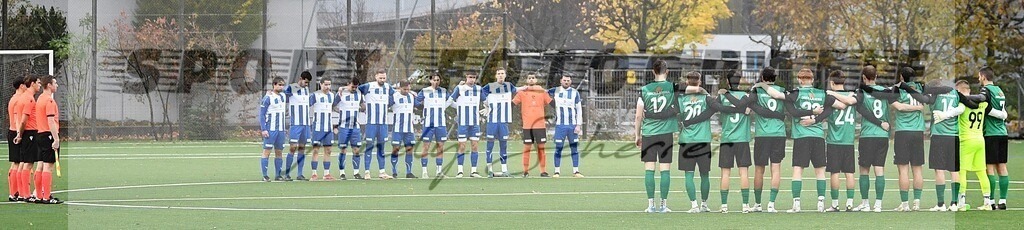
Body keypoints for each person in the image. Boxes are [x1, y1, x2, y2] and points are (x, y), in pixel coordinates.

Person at [758, 68, 844, 213]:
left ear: (799, 79)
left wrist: (762, 85)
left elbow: (789, 108)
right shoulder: (821, 93)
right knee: (820, 171)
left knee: (798, 170)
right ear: (812, 79)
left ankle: (796, 204)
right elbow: (839, 106)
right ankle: (821, 203)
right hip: (818, 136)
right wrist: (816, 118)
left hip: (801, 137)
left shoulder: (795, 93)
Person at [820, 71, 860, 212]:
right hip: (848, 141)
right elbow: (849, 102)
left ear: (831, 82)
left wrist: (830, 93)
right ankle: (849, 203)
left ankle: (835, 204)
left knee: (834, 173)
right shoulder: (851, 95)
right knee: (849, 173)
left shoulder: (829, 96)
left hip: (834, 140)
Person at [953, 80, 992, 211]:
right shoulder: (983, 103)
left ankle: (962, 202)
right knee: (981, 172)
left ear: (958, 91)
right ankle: (987, 201)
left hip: (966, 140)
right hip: (980, 140)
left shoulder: (960, 103)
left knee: (962, 171)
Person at [357, 69, 396, 180]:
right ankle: (367, 172)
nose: (382, 80)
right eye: (380, 78)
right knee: (369, 147)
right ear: (375, 77)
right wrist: (361, 103)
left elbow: (396, 95)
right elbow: (355, 89)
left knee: (381, 148)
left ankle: (382, 172)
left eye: (384, 78)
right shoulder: (369, 86)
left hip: (383, 123)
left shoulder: (388, 87)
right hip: (371, 123)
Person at [512, 73, 552, 178]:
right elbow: (512, 104)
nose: (531, 80)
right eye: (529, 78)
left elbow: (552, 103)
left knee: (541, 149)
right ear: (526, 80)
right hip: (527, 126)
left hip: (540, 125)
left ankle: (543, 171)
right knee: (527, 148)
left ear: (536, 80)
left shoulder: (542, 92)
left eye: (533, 78)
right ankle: (525, 171)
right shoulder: (521, 93)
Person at [481, 68, 516, 177]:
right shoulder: (490, 86)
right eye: (499, 74)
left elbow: (519, 90)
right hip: (492, 121)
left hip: (504, 122)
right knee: (489, 146)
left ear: (505, 75)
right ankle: (490, 170)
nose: (500, 75)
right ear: (496, 76)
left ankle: (505, 170)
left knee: (503, 146)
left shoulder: (509, 86)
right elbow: (480, 93)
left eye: (502, 73)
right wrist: (486, 105)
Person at [32, 75, 62, 204]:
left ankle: (39, 195)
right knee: (47, 167)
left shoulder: (39, 99)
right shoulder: (49, 101)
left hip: (40, 134)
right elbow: (51, 121)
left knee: (40, 165)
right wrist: (56, 139)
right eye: (55, 83)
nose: (57, 85)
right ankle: (46, 196)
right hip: (48, 135)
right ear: (49, 85)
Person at [449, 71, 484, 178]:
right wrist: (457, 106)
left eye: (474, 77)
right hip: (463, 123)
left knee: (475, 146)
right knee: (462, 146)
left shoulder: (478, 89)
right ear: (466, 77)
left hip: (474, 123)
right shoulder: (459, 88)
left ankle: (473, 171)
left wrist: (487, 108)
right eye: (470, 77)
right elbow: (450, 100)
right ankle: (460, 171)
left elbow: (486, 100)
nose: (472, 79)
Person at [415, 73, 451, 178]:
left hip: (441, 124)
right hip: (428, 124)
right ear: (430, 81)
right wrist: (424, 108)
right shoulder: (425, 91)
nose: (436, 82)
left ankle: (439, 171)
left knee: (440, 147)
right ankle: (424, 171)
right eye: (434, 80)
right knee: (426, 146)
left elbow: (450, 101)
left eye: (438, 80)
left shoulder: (444, 91)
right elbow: (417, 102)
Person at [548, 75, 585, 178]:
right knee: (558, 148)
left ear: (571, 81)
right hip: (560, 126)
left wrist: (578, 125)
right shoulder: (554, 90)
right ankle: (556, 171)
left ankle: (576, 171)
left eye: (568, 80)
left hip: (572, 125)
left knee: (574, 148)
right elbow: (543, 94)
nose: (566, 82)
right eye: (564, 80)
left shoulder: (575, 93)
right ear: (561, 81)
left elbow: (579, 109)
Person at [284, 71, 312, 181]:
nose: (306, 84)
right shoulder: (292, 88)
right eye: (305, 82)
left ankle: (300, 174)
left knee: (302, 148)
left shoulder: (306, 89)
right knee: (292, 148)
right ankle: (287, 174)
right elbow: (282, 92)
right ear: (300, 78)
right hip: (295, 123)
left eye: (308, 83)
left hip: (305, 124)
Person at [309, 78, 338, 181]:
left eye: (329, 84)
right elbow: (306, 104)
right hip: (318, 127)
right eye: (325, 84)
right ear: (320, 84)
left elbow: (335, 107)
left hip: (328, 128)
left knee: (328, 150)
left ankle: (326, 174)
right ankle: (314, 173)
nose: (327, 87)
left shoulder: (332, 95)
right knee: (316, 150)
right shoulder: (315, 95)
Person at [259, 77, 288, 182]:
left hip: (281, 130)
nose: (281, 87)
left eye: (282, 85)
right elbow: (261, 115)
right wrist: (264, 129)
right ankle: (265, 175)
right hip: (271, 130)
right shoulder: (268, 98)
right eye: (279, 85)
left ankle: (278, 175)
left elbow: (295, 87)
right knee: (267, 151)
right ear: (274, 85)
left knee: (279, 152)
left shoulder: (283, 96)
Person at [336, 78, 364, 180]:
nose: (354, 89)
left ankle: (356, 172)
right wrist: (340, 112)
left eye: (356, 87)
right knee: (343, 150)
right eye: (353, 87)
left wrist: (363, 108)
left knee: (356, 150)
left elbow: (362, 104)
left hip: (355, 127)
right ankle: (342, 173)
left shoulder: (359, 93)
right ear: (348, 84)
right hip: (344, 127)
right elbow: (332, 105)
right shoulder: (341, 93)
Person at [389, 81, 418, 178]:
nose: (406, 91)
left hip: (409, 129)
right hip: (398, 128)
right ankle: (394, 171)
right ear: (400, 88)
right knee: (395, 149)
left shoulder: (412, 96)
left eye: (408, 89)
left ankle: (409, 172)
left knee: (409, 150)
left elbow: (420, 103)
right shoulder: (394, 96)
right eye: (404, 89)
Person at [7, 75, 24, 201]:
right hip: (15, 132)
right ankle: (14, 192)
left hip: (12, 131)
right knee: (17, 163)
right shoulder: (18, 99)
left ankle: (15, 192)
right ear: (21, 86)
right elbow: (17, 118)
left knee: (16, 162)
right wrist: (19, 134)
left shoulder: (14, 98)